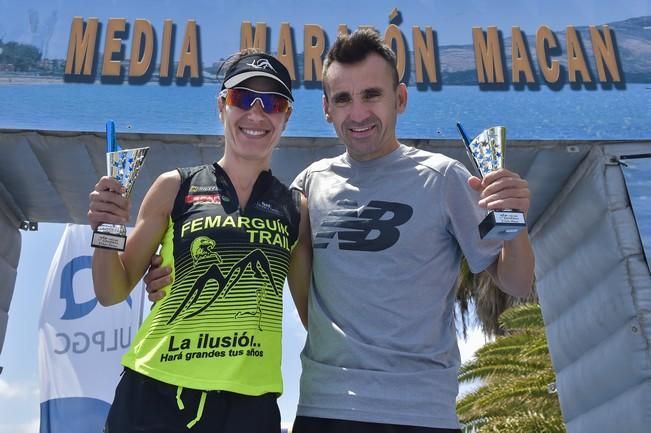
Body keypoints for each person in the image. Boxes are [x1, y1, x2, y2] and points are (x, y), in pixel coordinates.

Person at [145, 29, 535, 433]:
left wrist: (514, 220)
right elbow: (242, 252)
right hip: (324, 409)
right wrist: (166, 275)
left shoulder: (443, 178)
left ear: (399, 99)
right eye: (343, 99)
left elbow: (517, 282)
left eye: (372, 95)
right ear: (327, 108)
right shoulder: (308, 186)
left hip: (421, 412)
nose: (358, 112)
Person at [87, 48, 311, 433]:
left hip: (249, 406)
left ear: (286, 116)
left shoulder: (297, 208)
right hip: (154, 391)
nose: (256, 114)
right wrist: (107, 228)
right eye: (243, 98)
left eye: (272, 102)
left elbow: (314, 317)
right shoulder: (174, 186)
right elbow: (112, 291)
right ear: (222, 105)